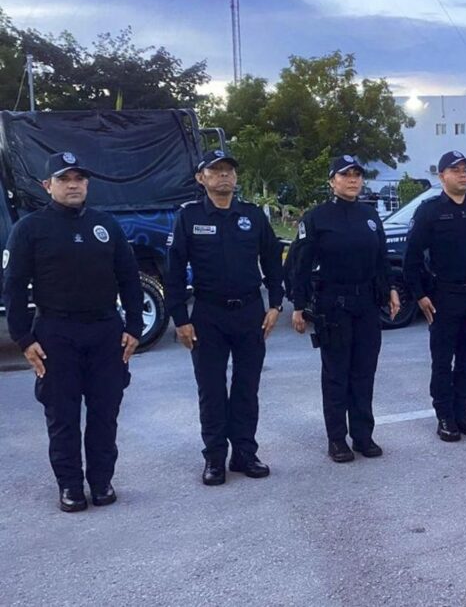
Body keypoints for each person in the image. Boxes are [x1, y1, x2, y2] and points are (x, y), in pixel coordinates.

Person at [2, 152, 143, 512]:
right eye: (65, 179)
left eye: (79, 178)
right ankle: (70, 486)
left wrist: (134, 328)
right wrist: (24, 337)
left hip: (104, 331)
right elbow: (14, 286)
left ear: (87, 184)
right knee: (62, 416)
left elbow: (129, 279)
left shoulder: (105, 225)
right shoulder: (30, 229)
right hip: (55, 333)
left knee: (104, 412)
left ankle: (101, 481)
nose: (73, 185)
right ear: (47, 185)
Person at [166, 150, 284, 485]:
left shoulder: (251, 216)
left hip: (249, 312)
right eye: (215, 171)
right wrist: (180, 318)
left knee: (247, 387)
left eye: (228, 171)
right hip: (208, 314)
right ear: (200, 178)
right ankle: (215, 458)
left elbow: (273, 260)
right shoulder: (188, 217)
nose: (223, 176)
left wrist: (275, 303)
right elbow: (173, 271)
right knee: (212, 389)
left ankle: (245, 453)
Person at [290, 155, 400, 461]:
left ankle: (363, 436)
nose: (352, 180)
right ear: (332, 181)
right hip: (333, 306)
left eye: (357, 175)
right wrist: (298, 305)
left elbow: (382, 259)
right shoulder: (317, 218)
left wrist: (391, 289)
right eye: (345, 175)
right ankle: (337, 439)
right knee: (337, 374)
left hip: (366, 304)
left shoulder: (369, 215)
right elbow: (301, 265)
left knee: (364, 372)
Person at [403, 151, 466, 442]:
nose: (462, 174)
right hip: (445, 296)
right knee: (443, 361)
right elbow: (412, 258)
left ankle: (463, 413)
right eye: (455, 170)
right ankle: (445, 416)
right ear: (442, 176)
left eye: (465, 169)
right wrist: (420, 295)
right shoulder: (430, 211)